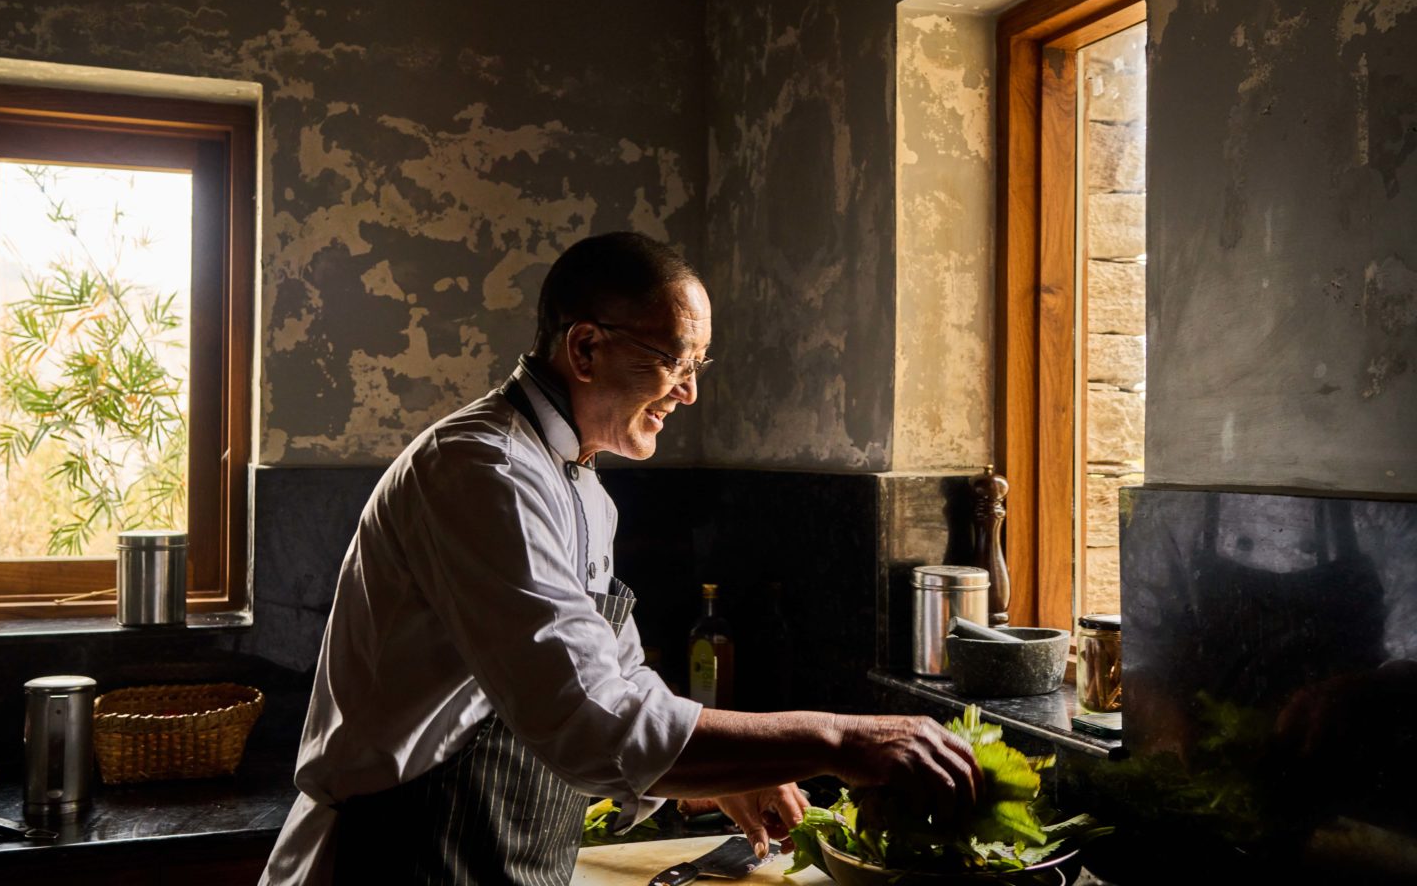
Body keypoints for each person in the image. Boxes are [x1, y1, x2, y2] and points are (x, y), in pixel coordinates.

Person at [260, 232, 981, 885]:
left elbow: (618, 676)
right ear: (585, 349)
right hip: (400, 860)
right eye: (674, 361)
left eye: (699, 365)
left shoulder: (576, 481)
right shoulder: (486, 472)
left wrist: (723, 776)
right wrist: (838, 740)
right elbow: (592, 719)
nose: (690, 391)